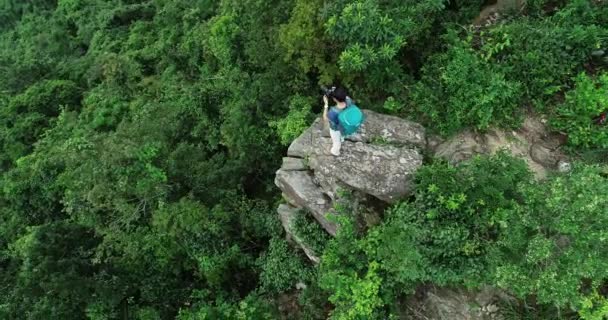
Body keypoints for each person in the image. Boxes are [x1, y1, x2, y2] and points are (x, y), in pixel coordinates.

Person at [322, 87, 352, 156]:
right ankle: (342, 138)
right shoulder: (349, 100)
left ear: (335, 99)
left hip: (336, 129)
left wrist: (326, 104)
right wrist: (336, 91)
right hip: (345, 124)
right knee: (342, 133)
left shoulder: (334, 112)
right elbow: (344, 96)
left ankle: (335, 151)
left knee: (336, 142)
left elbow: (325, 118)